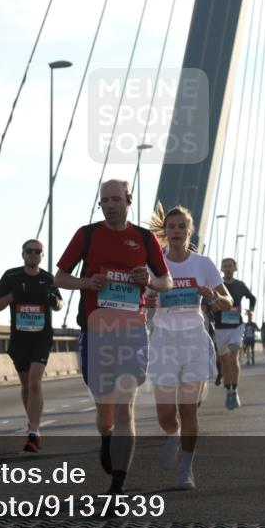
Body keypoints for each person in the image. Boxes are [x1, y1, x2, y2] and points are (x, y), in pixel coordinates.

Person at [55, 179, 171, 495]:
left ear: (128, 200)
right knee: (105, 411)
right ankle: (105, 437)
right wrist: (86, 283)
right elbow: (60, 277)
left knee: (124, 409)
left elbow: (166, 281)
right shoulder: (87, 235)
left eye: (115, 199)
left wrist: (149, 279)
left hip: (132, 332)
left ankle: (117, 486)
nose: (109, 205)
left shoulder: (144, 238)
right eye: (104, 201)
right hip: (95, 333)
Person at [144, 204, 232, 489]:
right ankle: (173, 435)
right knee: (165, 414)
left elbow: (228, 301)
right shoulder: (154, 265)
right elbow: (141, 304)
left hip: (193, 340)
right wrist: (149, 303)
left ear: (190, 230)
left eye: (183, 226)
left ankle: (186, 469)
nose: (177, 231)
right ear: (165, 231)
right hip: (163, 342)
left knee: (189, 410)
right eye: (172, 227)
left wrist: (213, 296)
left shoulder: (203, 264)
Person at [0, 239, 64, 453]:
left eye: (37, 251)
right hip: (19, 339)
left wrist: (52, 299)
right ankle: (32, 423)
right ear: (22, 254)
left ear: (42, 255)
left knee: (35, 382)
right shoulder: (11, 276)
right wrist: (14, 295)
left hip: (42, 337)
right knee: (26, 385)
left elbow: (60, 305)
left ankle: (34, 432)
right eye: (29, 251)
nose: (33, 254)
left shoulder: (47, 278)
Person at [213, 258, 256, 409]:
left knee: (233, 355)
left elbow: (252, 298)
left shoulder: (240, 285)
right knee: (224, 361)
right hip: (220, 327)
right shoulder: (217, 285)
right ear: (222, 269)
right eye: (225, 266)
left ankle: (235, 389)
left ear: (235, 268)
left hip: (236, 326)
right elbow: (207, 300)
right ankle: (228, 391)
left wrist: (251, 309)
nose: (228, 268)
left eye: (230, 266)